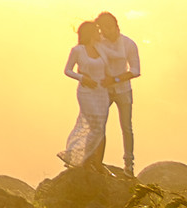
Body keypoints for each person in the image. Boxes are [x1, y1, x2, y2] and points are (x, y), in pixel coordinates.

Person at [58, 21, 110, 170]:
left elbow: (110, 65)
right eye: (97, 31)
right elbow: (68, 70)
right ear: (90, 33)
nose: (100, 34)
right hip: (86, 92)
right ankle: (80, 159)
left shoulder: (101, 49)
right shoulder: (78, 50)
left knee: (100, 127)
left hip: (101, 93)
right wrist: (82, 78)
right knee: (95, 127)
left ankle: (96, 162)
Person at [96, 11, 140, 177]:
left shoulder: (129, 44)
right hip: (103, 90)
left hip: (123, 90)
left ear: (116, 26)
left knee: (126, 127)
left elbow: (135, 70)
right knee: (98, 126)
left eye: (108, 28)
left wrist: (114, 79)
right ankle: (95, 161)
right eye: (102, 29)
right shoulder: (98, 42)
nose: (106, 32)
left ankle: (129, 166)